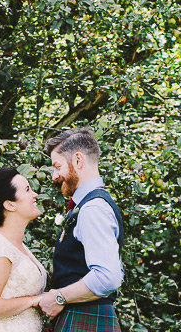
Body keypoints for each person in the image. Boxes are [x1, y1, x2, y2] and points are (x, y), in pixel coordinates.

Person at [39, 127, 124, 331]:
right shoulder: (88, 205)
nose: (54, 176)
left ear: (78, 160)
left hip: (87, 319)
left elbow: (107, 277)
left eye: (57, 166)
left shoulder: (93, 208)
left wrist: (59, 297)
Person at [0, 167, 47, 331]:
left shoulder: (17, 244)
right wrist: (33, 300)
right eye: (27, 190)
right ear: (10, 205)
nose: (35, 195)